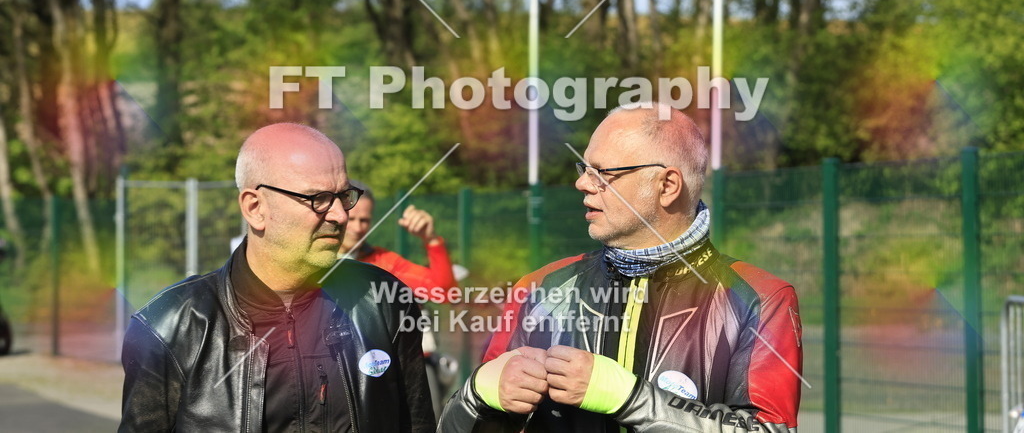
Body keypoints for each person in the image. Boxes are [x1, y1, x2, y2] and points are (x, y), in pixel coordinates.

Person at [439, 104, 803, 432]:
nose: (581, 183)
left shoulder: (760, 299)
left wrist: (631, 400)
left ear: (667, 185)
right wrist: (476, 396)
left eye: (602, 172)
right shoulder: (539, 288)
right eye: (584, 168)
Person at [119, 123, 434, 432]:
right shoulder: (169, 326)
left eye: (344, 196)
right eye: (318, 198)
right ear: (255, 207)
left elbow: (417, 424)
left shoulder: (383, 300)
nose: (340, 215)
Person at [339, 183, 459, 417]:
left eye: (364, 220)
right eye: (350, 218)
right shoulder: (310, 261)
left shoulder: (384, 261)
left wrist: (431, 240)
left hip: (384, 373)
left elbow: (444, 292)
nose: (357, 228)